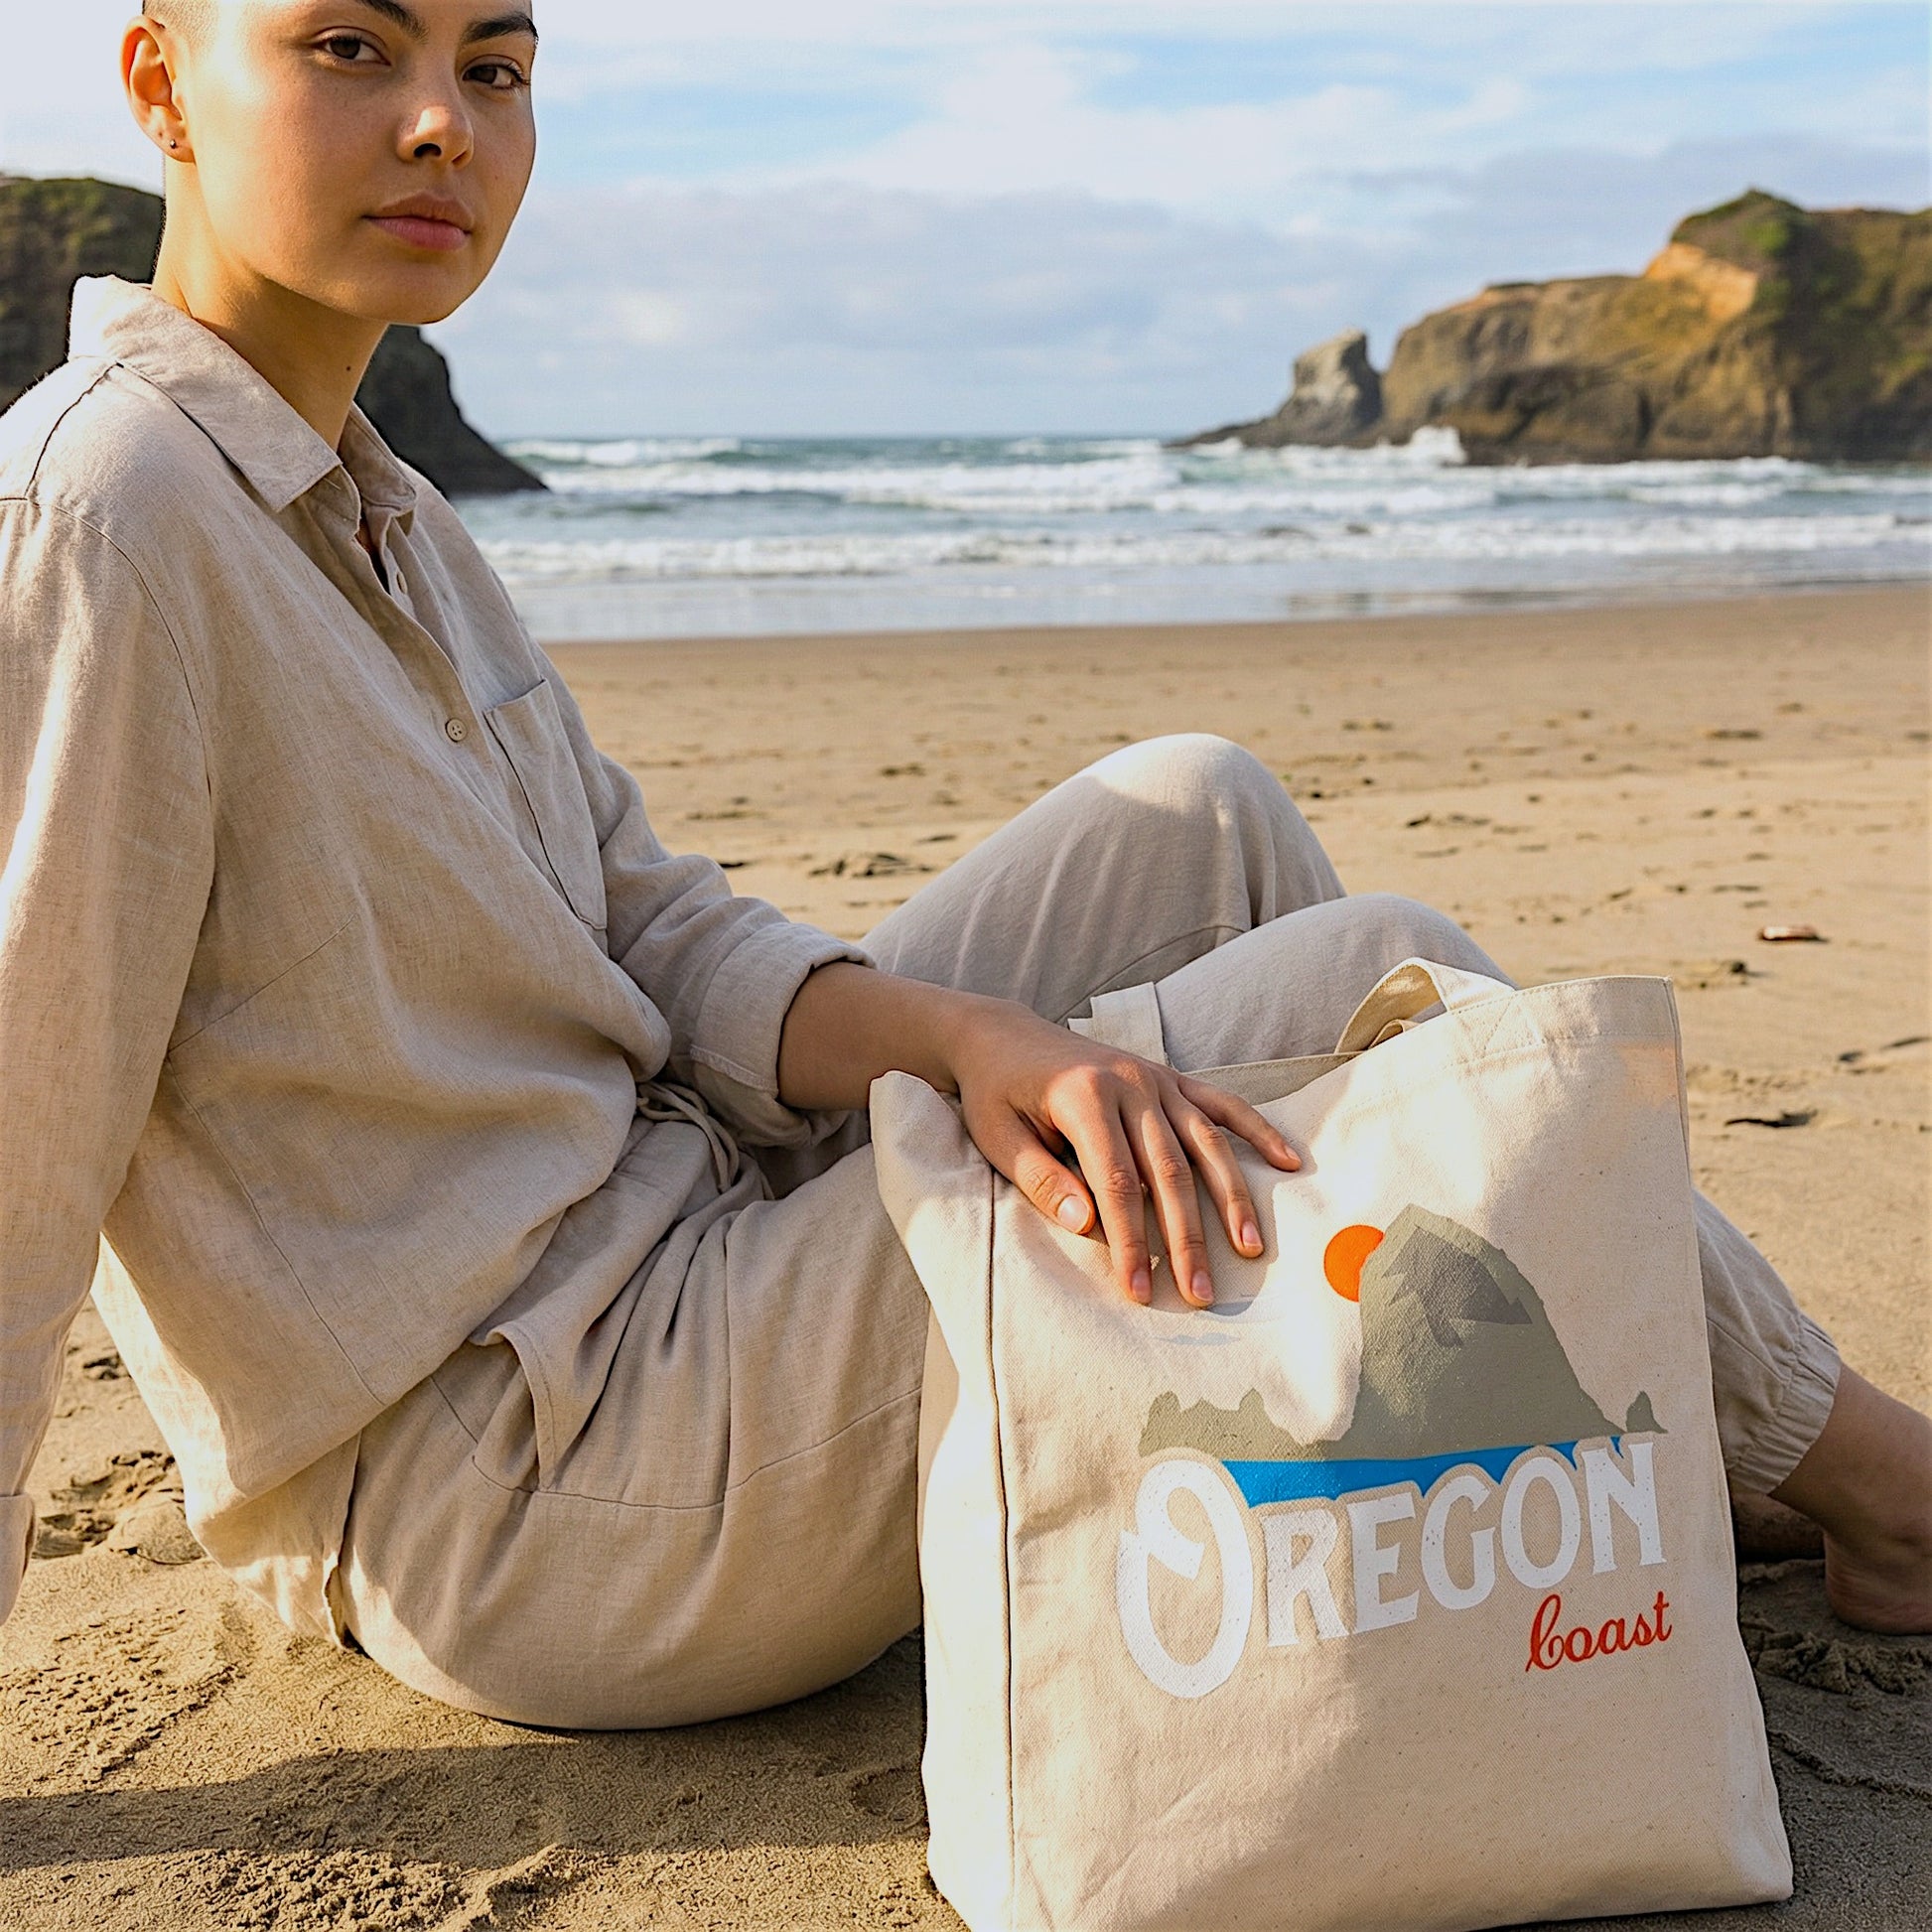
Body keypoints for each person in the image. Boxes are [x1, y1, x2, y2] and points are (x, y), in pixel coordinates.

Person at [1, 0, 1926, 1725]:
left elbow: (648, 920)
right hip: (527, 1466)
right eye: (352, 46)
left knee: (1201, 807)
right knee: (1376, 969)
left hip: (672, 1212)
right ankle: (1876, 1489)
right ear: (162, 77)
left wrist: (974, 1039)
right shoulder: (102, 519)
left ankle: (1632, 1421)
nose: (441, 120)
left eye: (493, 67)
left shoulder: (385, 509)